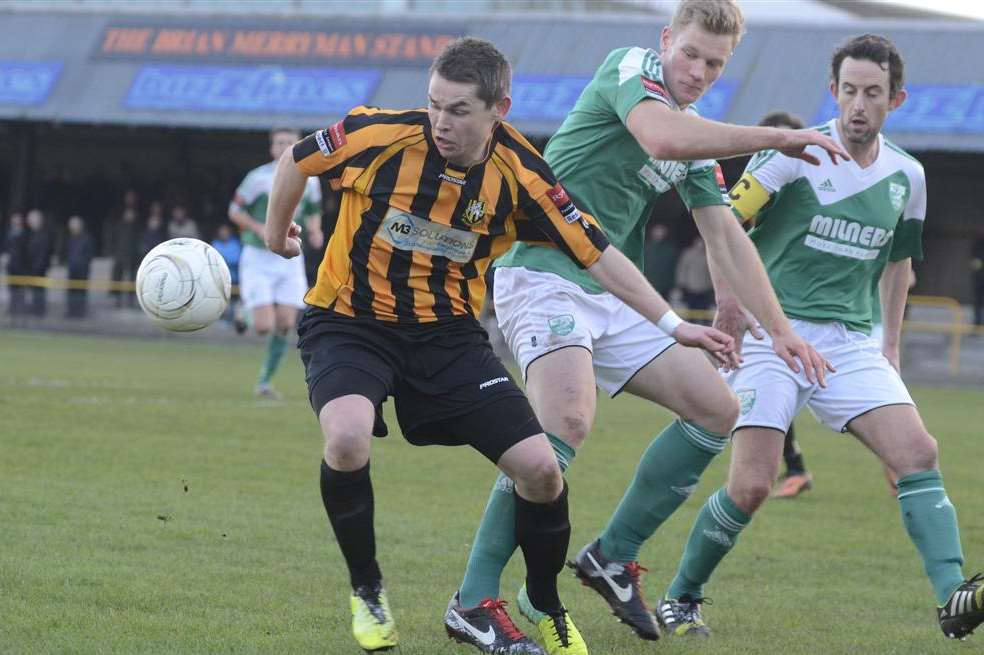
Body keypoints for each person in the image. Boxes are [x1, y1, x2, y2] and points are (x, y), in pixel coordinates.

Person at [265, 36, 740, 655]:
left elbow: (596, 252)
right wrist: (279, 236)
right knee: (348, 436)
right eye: (435, 104)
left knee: (542, 470)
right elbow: (296, 162)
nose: (440, 122)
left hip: (447, 337)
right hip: (350, 323)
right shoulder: (376, 134)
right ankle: (368, 589)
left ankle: (540, 601)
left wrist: (673, 325)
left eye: (459, 110)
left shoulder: (520, 175)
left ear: (499, 109)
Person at [457, 0, 846, 644]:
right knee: (566, 424)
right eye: (690, 53)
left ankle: (611, 556)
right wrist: (777, 136)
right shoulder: (630, 68)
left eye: (714, 64)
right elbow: (661, 136)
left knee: (717, 409)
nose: (697, 70)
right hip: (544, 274)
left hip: (616, 290)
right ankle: (473, 598)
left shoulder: (693, 131)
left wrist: (775, 326)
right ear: (667, 40)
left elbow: (724, 231)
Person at [657, 34, 983, 641]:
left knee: (919, 454)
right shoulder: (790, 156)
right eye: (849, 91)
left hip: (850, 344)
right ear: (833, 92)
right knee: (753, 486)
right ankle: (682, 595)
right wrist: (729, 303)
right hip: (772, 337)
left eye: (873, 93)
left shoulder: (907, 176)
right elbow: (722, 224)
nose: (859, 105)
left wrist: (889, 346)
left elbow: (899, 266)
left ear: (897, 99)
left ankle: (952, 599)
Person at [229, 127, 322, 397]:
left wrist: (316, 230)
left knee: (284, 324)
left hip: (290, 256)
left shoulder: (310, 177)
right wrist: (259, 228)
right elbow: (234, 210)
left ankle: (264, 382)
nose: (284, 146)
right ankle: (242, 311)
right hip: (259, 256)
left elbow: (314, 210)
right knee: (263, 327)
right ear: (272, 148)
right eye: (279, 142)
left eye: (290, 142)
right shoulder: (258, 178)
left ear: (299, 145)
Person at [755, 111, 814, 499]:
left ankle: (788, 465)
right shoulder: (760, 190)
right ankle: (788, 465)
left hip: (796, 311)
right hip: (761, 305)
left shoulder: (809, 195)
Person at [108, 191, 142, 308]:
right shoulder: (118, 214)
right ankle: (117, 298)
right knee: (118, 274)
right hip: (121, 250)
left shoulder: (138, 214)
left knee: (133, 275)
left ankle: (131, 299)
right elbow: (113, 232)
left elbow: (139, 234)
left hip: (133, 251)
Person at [674, 234, 713, 322]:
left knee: (704, 310)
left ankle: (705, 324)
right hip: (690, 287)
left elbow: (711, 272)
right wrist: (681, 284)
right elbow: (682, 269)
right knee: (691, 310)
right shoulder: (687, 254)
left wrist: (712, 285)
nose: (700, 244)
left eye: (702, 242)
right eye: (698, 242)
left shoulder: (708, 255)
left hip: (704, 288)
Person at [63, 215, 95, 318]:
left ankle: (80, 312)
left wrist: (83, 264)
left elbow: (89, 254)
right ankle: (71, 311)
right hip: (72, 269)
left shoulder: (87, 238)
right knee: (71, 290)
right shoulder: (69, 238)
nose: (73, 227)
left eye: (75, 224)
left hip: (82, 270)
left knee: (81, 292)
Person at [211, 223, 242, 324]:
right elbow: (211, 261)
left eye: (225, 231)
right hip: (220, 281)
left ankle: (232, 322)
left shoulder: (235, 244)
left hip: (235, 281)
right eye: (222, 231)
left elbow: (236, 259)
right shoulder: (215, 244)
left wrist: (222, 259)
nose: (223, 233)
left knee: (235, 306)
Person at [25, 209, 52, 317]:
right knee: (34, 290)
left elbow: (44, 254)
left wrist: (37, 268)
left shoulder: (44, 234)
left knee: (39, 290)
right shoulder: (31, 234)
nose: (30, 222)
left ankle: (39, 310)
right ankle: (35, 309)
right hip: (32, 268)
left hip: (39, 269)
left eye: (32, 219)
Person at [643, 223, 678, 298]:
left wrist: (674, 284)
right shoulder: (645, 247)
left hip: (665, 284)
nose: (659, 233)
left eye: (661, 231)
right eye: (657, 231)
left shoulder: (670, 248)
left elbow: (674, 266)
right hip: (647, 282)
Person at [3, 212, 28, 317]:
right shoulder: (9, 233)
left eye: (17, 219)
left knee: (21, 288)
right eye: (14, 219)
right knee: (12, 288)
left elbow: (26, 251)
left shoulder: (25, 234)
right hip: (11, 266)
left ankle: (20, 308)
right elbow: (6, 248)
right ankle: (12, 307)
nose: (15, 221)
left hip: (21, 266)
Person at [972, 229, 984, 327]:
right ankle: (977, 323)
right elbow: (974, 261)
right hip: (980, 279)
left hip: (979, 279)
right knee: (978, 301)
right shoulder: (978, 245)